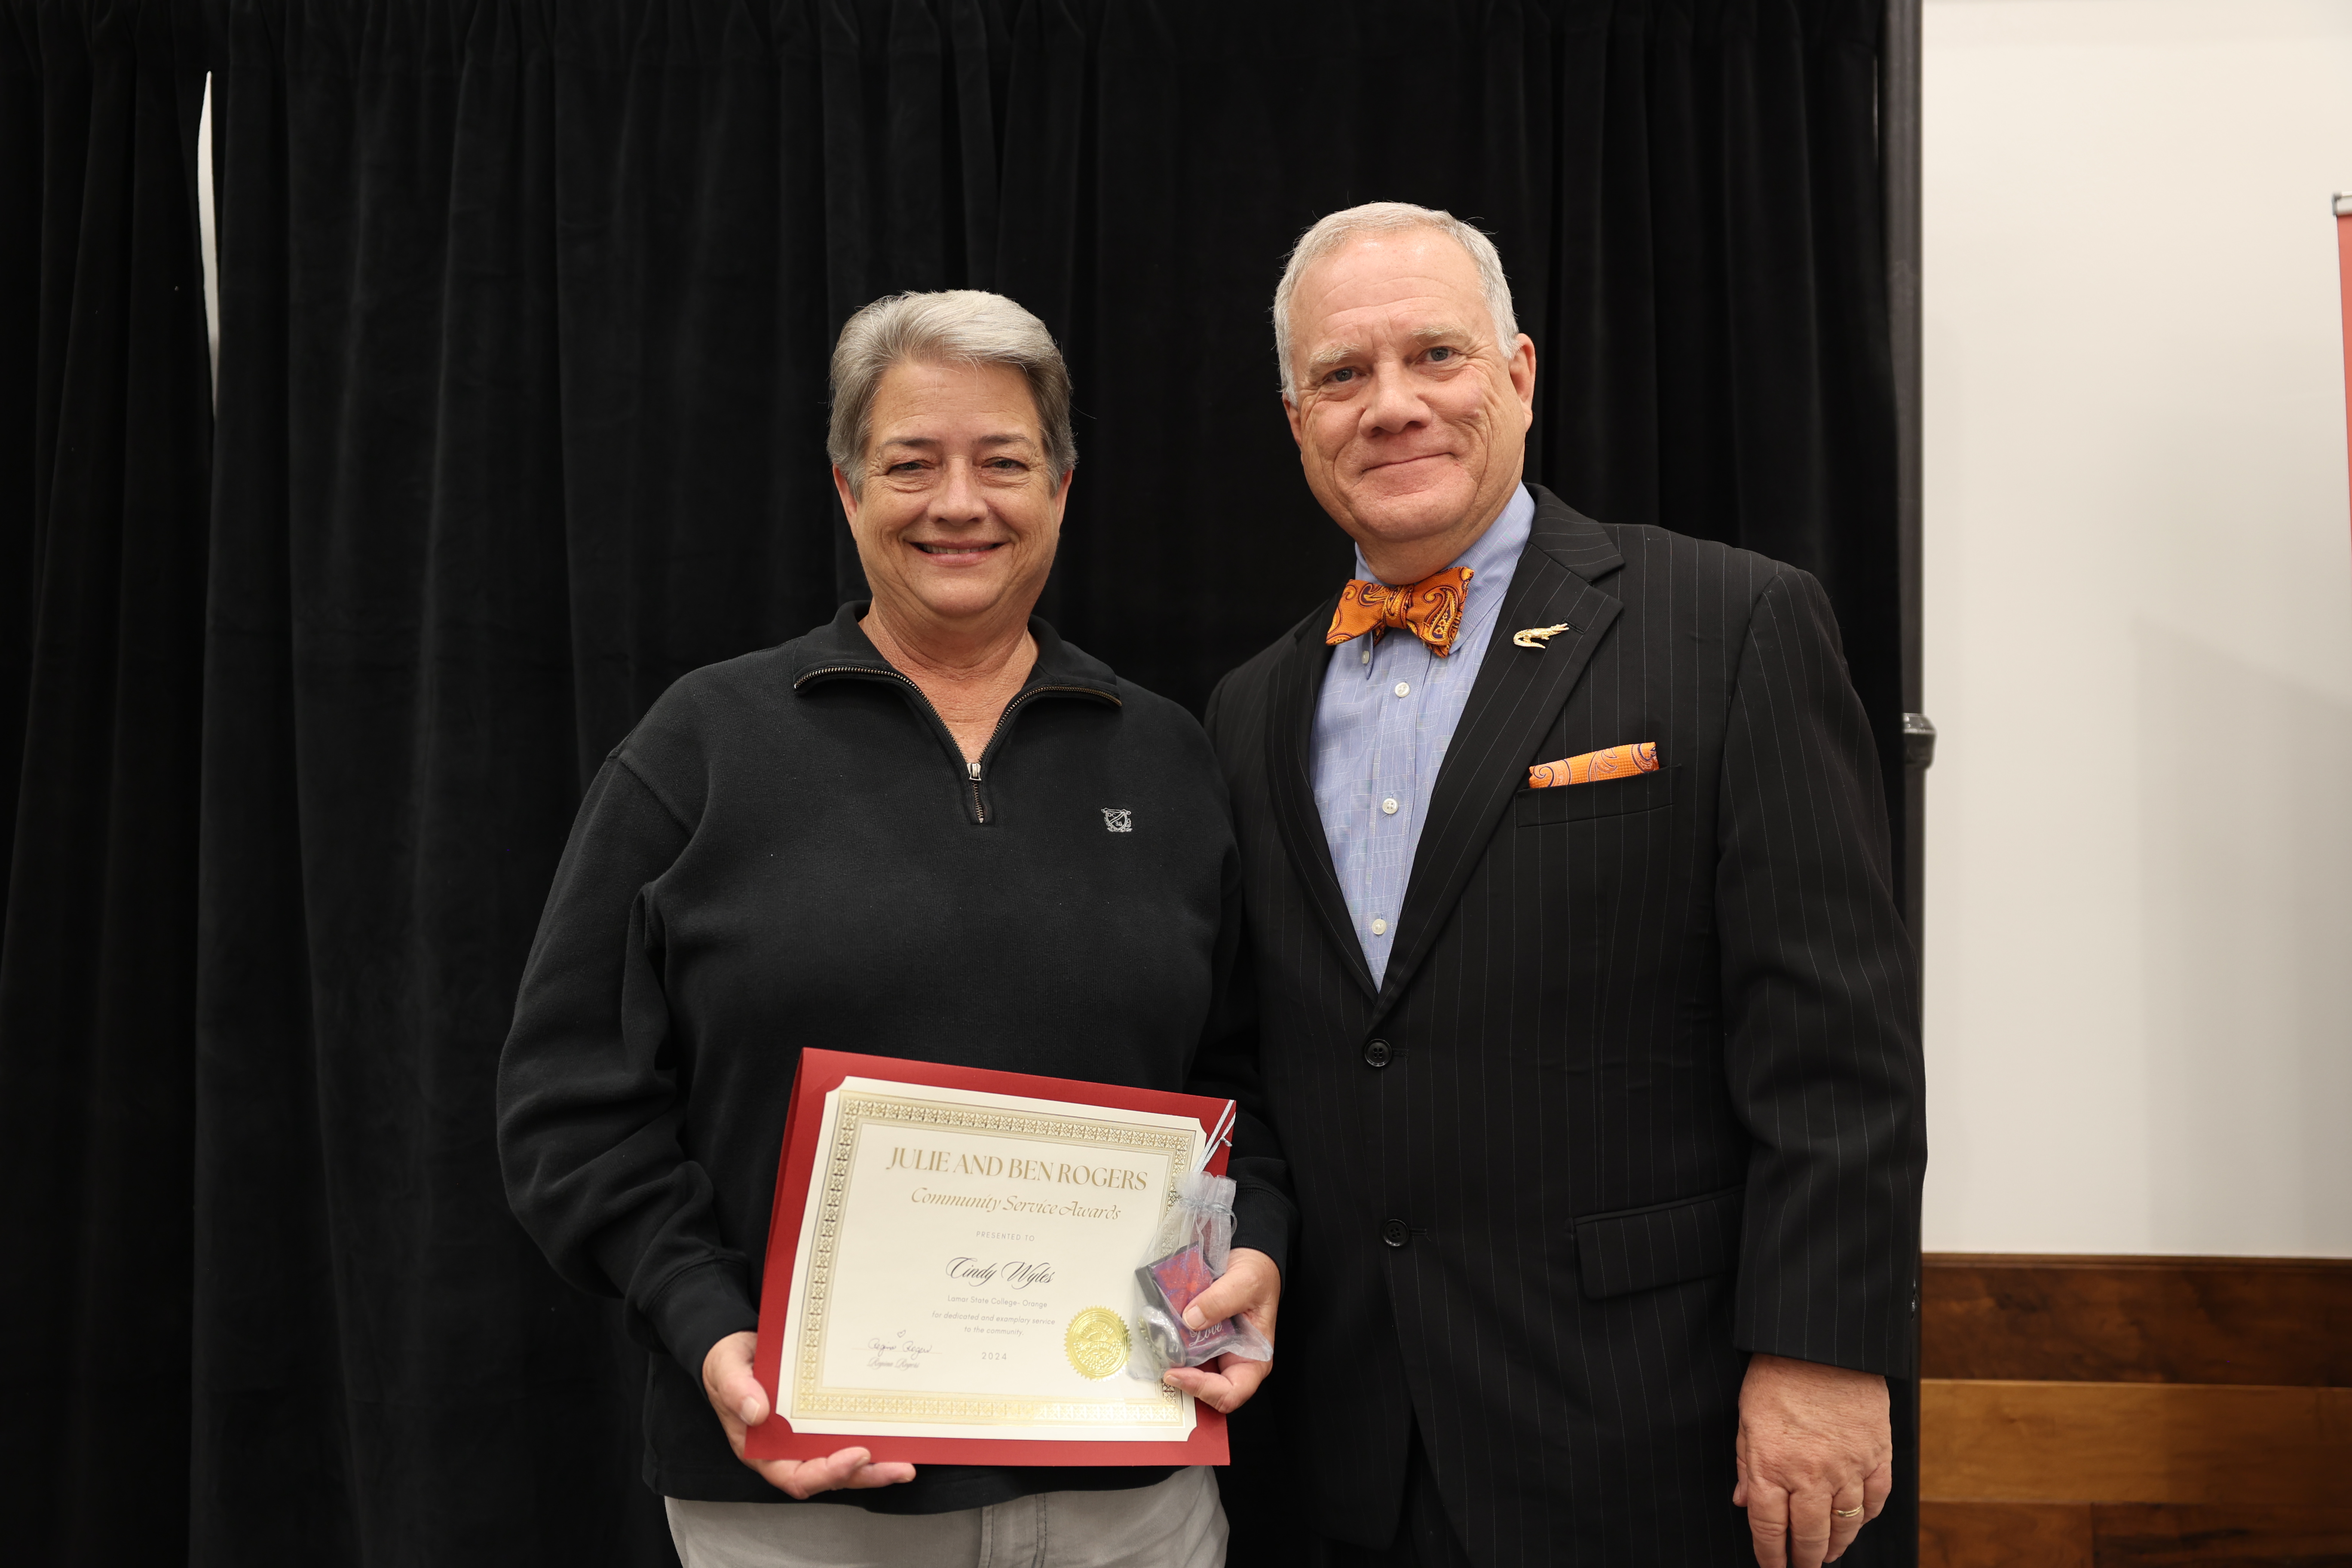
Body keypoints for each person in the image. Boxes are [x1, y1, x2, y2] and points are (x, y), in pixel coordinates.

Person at [497, 290, 1288, 1568]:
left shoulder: (1173, 756)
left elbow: (1242, 1088)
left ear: (1064, 488)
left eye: (1005, 462)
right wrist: (713, 1331)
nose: (958, 503)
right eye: (911, 463)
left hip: (1126, 1496)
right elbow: (567, 1109)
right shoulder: (703, 746)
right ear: (847, 488)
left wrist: (1248, 1253)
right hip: (798, 1504)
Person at [1203, 202, 1926, 1567]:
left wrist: (1823, 1357)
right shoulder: (1249, 709)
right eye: (1343, 377)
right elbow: (1281, 1059)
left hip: (1655, 1426)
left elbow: (1836, 1046)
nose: (1393, 406)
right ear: (1297, 420)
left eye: (1437, 357)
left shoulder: (1731, 624)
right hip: (1342, 1447)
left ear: (1521, 375)